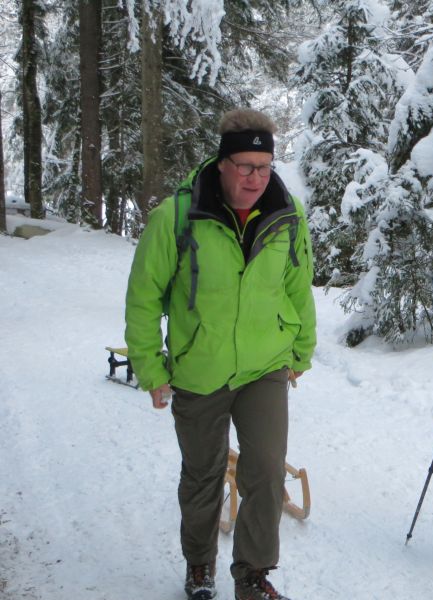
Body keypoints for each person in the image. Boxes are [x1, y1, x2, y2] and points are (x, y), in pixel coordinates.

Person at [125, 108, 316, 600]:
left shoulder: (287, 215)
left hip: (265, 364)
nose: (256, 178)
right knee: (203, 475)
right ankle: (199, 564)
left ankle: (252, 575)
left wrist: (301, 349)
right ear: (222, 163)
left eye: (265, 167)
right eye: (246, 166)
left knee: (267, 469)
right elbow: (144, 297)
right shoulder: (177, 216)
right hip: (200, 367)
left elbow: (298, 287)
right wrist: (150, 367)